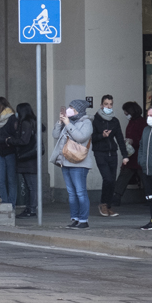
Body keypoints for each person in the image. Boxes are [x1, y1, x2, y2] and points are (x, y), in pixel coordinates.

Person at [51, 98, 95, 229]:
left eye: (73, 108)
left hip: (79, 163)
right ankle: (74, 218)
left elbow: (81, 137)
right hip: (65, 162)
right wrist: (60, 122)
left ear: (79, 110)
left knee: (80, 192)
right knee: (71, 193)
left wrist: (68, 123)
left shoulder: (86, 122)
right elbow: (55, 134)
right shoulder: (67, 122)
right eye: (69, 108)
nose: (70, 110)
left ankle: (84, 220)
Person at [92, 94, 129, 217]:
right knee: (107, 178)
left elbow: (119, 138)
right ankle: (103, 204)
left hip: (112, 153)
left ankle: (108, 206)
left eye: (110, 104)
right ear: (101, 105)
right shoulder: (95, 120)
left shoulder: (115, 121)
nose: (108, 106)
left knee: (112, 180)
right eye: (106, 104)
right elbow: (92, 138)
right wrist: (101, 135)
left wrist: (125, 155)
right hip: (100, 153)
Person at [7, 102, 38, 218]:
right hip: (31, 157)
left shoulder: (25, 123)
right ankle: (30, 208)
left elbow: (24, 141)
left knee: (31, 185)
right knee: (31, 185)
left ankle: (31, 209)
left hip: (27, 157)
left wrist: (10, 140)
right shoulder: (33, 122)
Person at [112, 101, 145, 209]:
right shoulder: (132, 122)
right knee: (125, 176)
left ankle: (150, 198)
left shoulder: (141, 122)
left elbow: (143, 139)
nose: (125, 114)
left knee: (143, 177)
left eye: (126, 112)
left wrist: (132, 141)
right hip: (131, 155)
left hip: (139, 155)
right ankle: (116, 196)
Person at [0, 97, 19, 206]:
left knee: (11, 180)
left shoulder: (12, 118)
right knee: (0, 180)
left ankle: (11, 204)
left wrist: (6, 140)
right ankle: (4, 203)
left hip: (10, 151)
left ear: (1, 105)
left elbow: (15, 134)